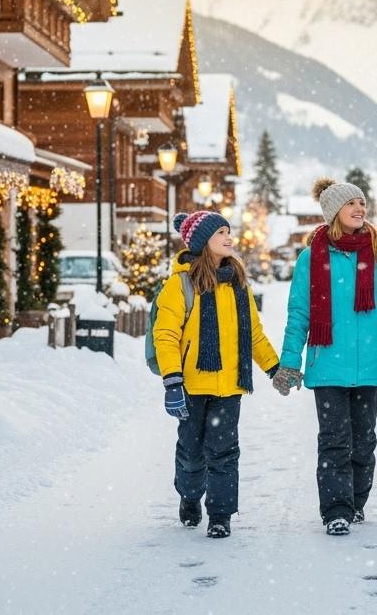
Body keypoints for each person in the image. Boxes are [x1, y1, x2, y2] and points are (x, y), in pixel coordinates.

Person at [277, 178, 377, 536]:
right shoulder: (312, 257)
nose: (359, 208)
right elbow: (299, 314)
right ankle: (336, 509)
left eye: (362, 203)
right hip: (327, 367)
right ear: (333, 211)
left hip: (369, 367)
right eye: (351, 203)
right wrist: (290, 362)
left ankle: (356, 501)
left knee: (364, 440)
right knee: (334, 440)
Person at [152, 210, 285, 539]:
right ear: (201, 242)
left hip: (229, 385)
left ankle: (221, 514)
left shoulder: (237, 282)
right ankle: (189, 495)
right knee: (191, 451)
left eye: (228, 231)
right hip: (192, 385)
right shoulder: (180, 284)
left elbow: (252, 333)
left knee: (224, 451)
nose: (229, 237)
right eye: (219, 233)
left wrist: (274, 368)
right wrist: (172, 381)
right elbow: (166, 334)